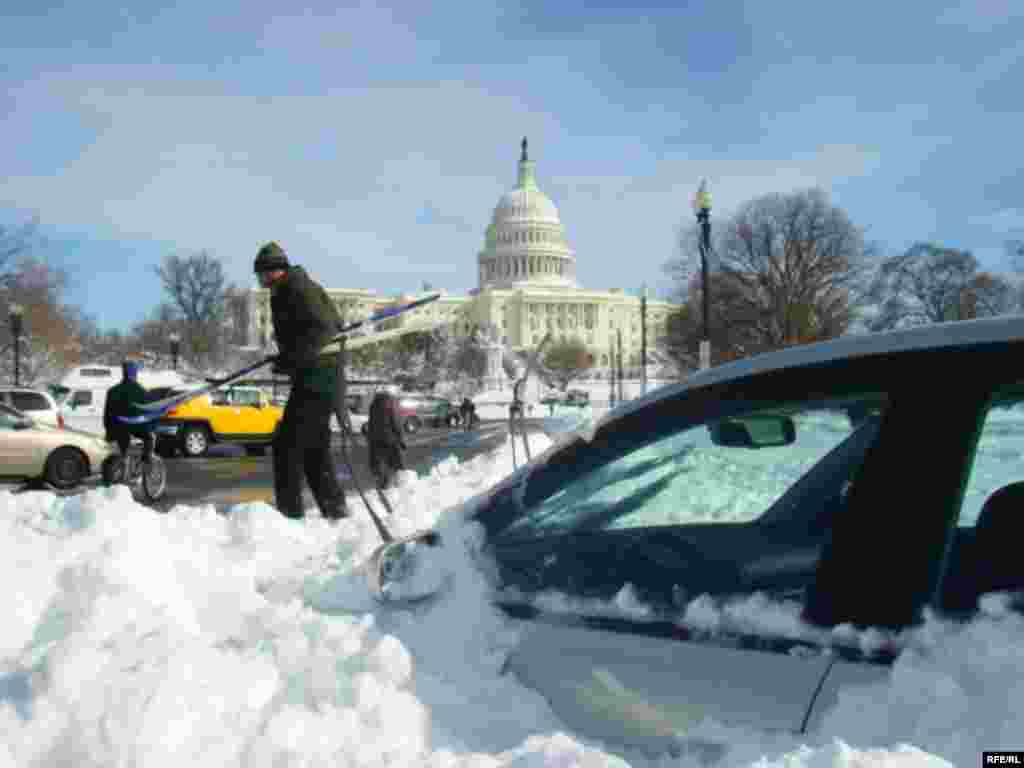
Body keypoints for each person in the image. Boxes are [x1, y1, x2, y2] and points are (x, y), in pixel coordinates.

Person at [255, 241, 348, 521]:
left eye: (260, 273)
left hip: (318, 378)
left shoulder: (296, 288)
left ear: (272, 271)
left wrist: (290, 359)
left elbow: (323, 331)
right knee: (313, 450)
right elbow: (311, 334)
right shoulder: (293, 287)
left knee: (286, 446)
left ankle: (289, 516)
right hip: (317, 376)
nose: (259, 280)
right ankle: (336, 512)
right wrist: (286, 359)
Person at [103, 358, 156, 467]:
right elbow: (147, 414)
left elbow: (107, 413)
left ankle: (123, 462)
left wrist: (108, 429)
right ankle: (146, 461)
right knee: (149, 437)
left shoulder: (112, 391)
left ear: (123, 372)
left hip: (114, 429)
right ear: (135, 373)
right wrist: (151, 427)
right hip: (134, 428)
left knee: (120, 446)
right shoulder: (142, 392)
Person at [367, 389, 406, 489]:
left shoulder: (373, 406)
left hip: (375, 439)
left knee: (379, 461)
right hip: (389, 438)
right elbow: (396, 422)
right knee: (394, 461)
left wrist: (370, 437)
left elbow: (371, 423)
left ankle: (381, 482)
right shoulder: (390, 405)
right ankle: (393, 484)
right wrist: (401, 438)